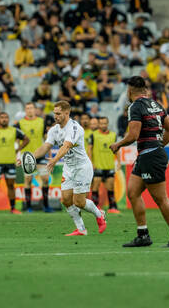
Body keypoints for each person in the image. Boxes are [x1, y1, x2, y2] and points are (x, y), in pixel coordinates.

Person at [110, 76, 169, 247]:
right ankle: (143, 235)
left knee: (160, 198)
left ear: (129, 91)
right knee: (132, 192)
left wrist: (118, 144)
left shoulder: (134, 107)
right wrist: (159, 145)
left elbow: (133, 135)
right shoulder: (156, 105)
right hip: (148, 155)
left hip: (150, 155)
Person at [31, 101, 107, 236]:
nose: (55, 116)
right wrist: (30, 156)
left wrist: (54, 160)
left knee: (79, 202)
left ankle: (99, 213)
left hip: (82, 167)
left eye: (58, 113)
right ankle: (81, 229)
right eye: (54, 113)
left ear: (67, 113)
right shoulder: (54, 130)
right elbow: (45, 147)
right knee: (66, 200)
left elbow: (66, 146)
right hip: (69, 167)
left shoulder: (74, 128)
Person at [0, 112, 29, 214]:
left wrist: (18, 149)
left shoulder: (14, 130)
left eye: (6, 117)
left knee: (10, 186)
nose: (4, 119)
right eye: (2, 117)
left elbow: (26, 139)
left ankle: (13, 208)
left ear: (8, 119)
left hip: (10, 162)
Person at [15, 102, 53, 212]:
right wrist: (18, 156)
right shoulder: (20, 123)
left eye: (31, 108)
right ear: (25, 110)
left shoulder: (42, 121)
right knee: (28, 180)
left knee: (45, 179)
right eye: (27, 108)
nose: (29, 110)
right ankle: (28, 207)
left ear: (35, 109)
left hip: (40, 154)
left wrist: (49, 155)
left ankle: (46, 206)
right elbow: (17, 141)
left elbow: (47, 140)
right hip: (26, 156)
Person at [89, 116, 121, 213]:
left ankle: (113, 207)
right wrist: (91, 162)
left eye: (105, 123)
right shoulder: (93, 135)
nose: (103, 125)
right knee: (95, 186)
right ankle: (94, 208)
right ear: (99, 124)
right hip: (98, 166)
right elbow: (89, 149)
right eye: (101, 123)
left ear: (107, 124)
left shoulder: (113, 135)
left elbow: (117, 150)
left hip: (109, 166)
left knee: (110, 186)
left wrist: (119, 162)